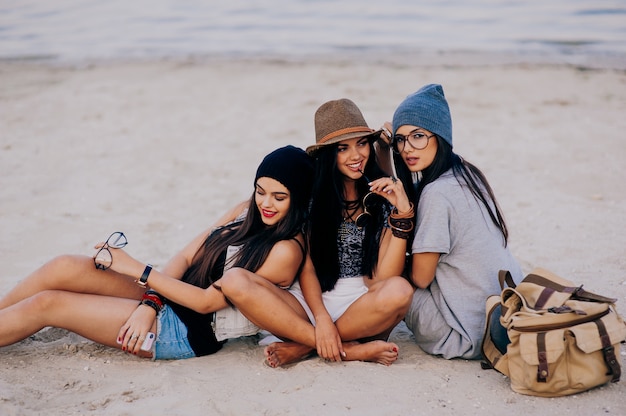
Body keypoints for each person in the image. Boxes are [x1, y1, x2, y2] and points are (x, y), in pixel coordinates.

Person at [0, 145, 314, 360]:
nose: (265, 204)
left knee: (49, 304)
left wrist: (138, 270)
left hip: (185, 328)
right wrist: (151, 300)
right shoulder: (245, 211)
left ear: (297, 200)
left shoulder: (285, 251)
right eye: (260, 191)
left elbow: (206, 303)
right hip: (166, 295)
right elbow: (186, 256)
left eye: (279, 197)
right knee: (63, 266)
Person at [218, 98, 415, 368]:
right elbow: (307, 268)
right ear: (328, 153)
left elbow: (385, 277)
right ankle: (345, 348)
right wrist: (321, 318)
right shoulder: (312, 196)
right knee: (235, 281)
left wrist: (402, 214)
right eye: (342, 148)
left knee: (400, 290)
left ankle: (302, 346)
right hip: (309, 300)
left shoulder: (380, 196)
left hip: (360, 304)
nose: (355, 156)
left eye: (361, 143)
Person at [388, 84, 523, 359]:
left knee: (388, 278)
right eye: (400, 139)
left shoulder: (437, 193)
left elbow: (421, 279)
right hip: (504, 318)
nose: (407, 148)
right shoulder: (466, 173)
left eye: (418, 136)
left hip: (466, 335)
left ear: (440, 136)